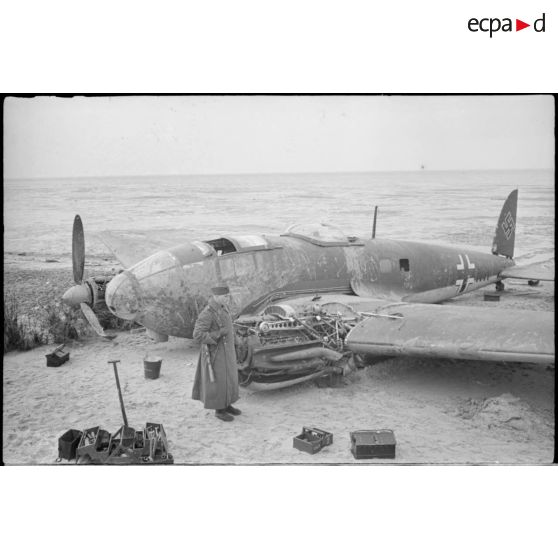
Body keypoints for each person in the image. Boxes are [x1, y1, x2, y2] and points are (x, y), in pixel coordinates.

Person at [191, 284, 241, 422]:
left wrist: (236, 341)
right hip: (215, 354)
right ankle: (219, 410)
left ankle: (227, 404)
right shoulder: (207, 313)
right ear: (216, 297)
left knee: (229, 379)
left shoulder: (223, 308)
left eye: (228, 296)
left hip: (228, 352)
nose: (227, 298)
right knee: (218, 381)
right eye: (225, 296)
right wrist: (218, 334)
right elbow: (197, 334)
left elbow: (230, 327)